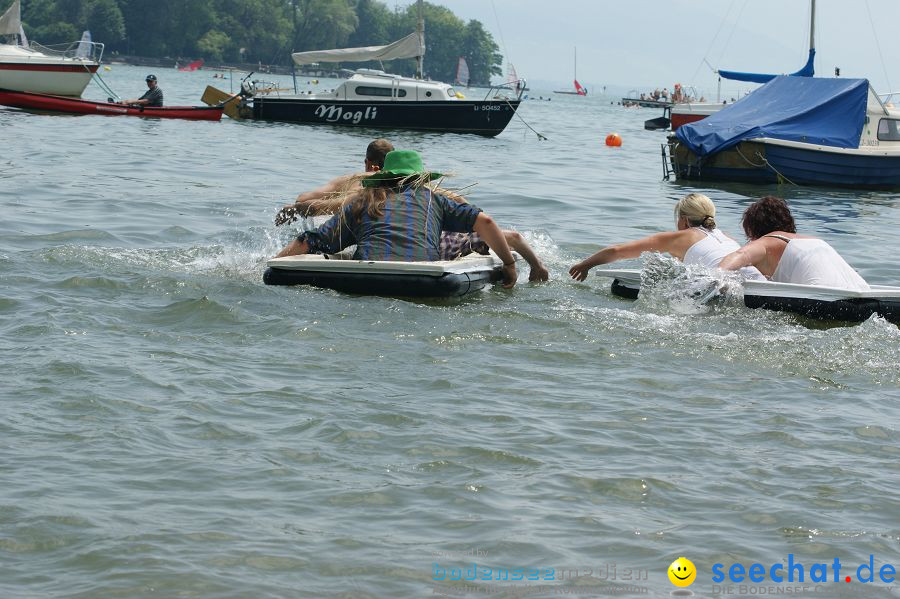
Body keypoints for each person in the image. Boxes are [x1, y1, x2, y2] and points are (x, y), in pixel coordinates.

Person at [275, 139, 549, 281]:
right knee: (499, 236)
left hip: (368, 262)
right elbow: (484, 220)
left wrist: (270, 265)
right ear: (419, 176)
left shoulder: (360, 194)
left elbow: (309, 228)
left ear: (372, 167)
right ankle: (538, 265)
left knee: (340, 242)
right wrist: (511, 265)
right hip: (423, 264)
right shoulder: (434, 197)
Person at [569, 193, 763, 281]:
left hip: (729, 286)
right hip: (760, 281)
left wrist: (585, 264)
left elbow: (618, 251)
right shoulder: (727, 237)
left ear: (685, 221)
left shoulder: (680, 237)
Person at [719, 196, 869, 290]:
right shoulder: (813, 239)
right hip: (864, 292)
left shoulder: (767, 241)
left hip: (827, 301)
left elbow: (741, 254)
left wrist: (716, 275)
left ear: (754, 230)